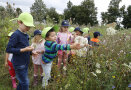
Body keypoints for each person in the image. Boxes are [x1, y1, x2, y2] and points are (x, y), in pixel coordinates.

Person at [6, 12, 36, 90]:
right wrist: (24, 49)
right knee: (25, 83)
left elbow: (25, 47)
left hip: (25, 63)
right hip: (19, 64)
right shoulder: (15, 35)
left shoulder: (25, 35)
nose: (28, 28)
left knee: (21, 82)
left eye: (29, 26)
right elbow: (9, 49)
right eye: (27, 26)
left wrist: (31, 52)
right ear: (19, 22)